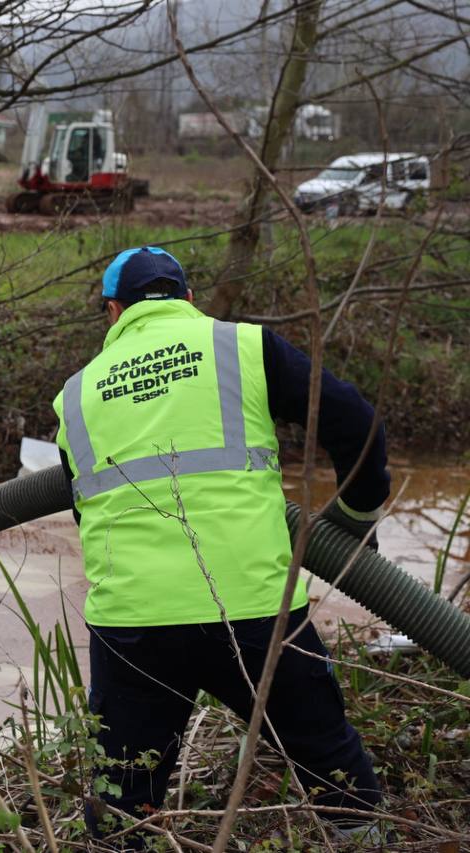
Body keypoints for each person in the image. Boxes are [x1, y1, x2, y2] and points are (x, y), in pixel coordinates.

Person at [51, 246, 387, 845]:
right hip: (251, 610)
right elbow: (356, 423)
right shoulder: (245, 347)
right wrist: (356, 517)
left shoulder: (76, 394)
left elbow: (84, 510)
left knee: (122, 805)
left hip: (133, 624)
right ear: (187, 298)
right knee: (337, 778)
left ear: (112, 310)